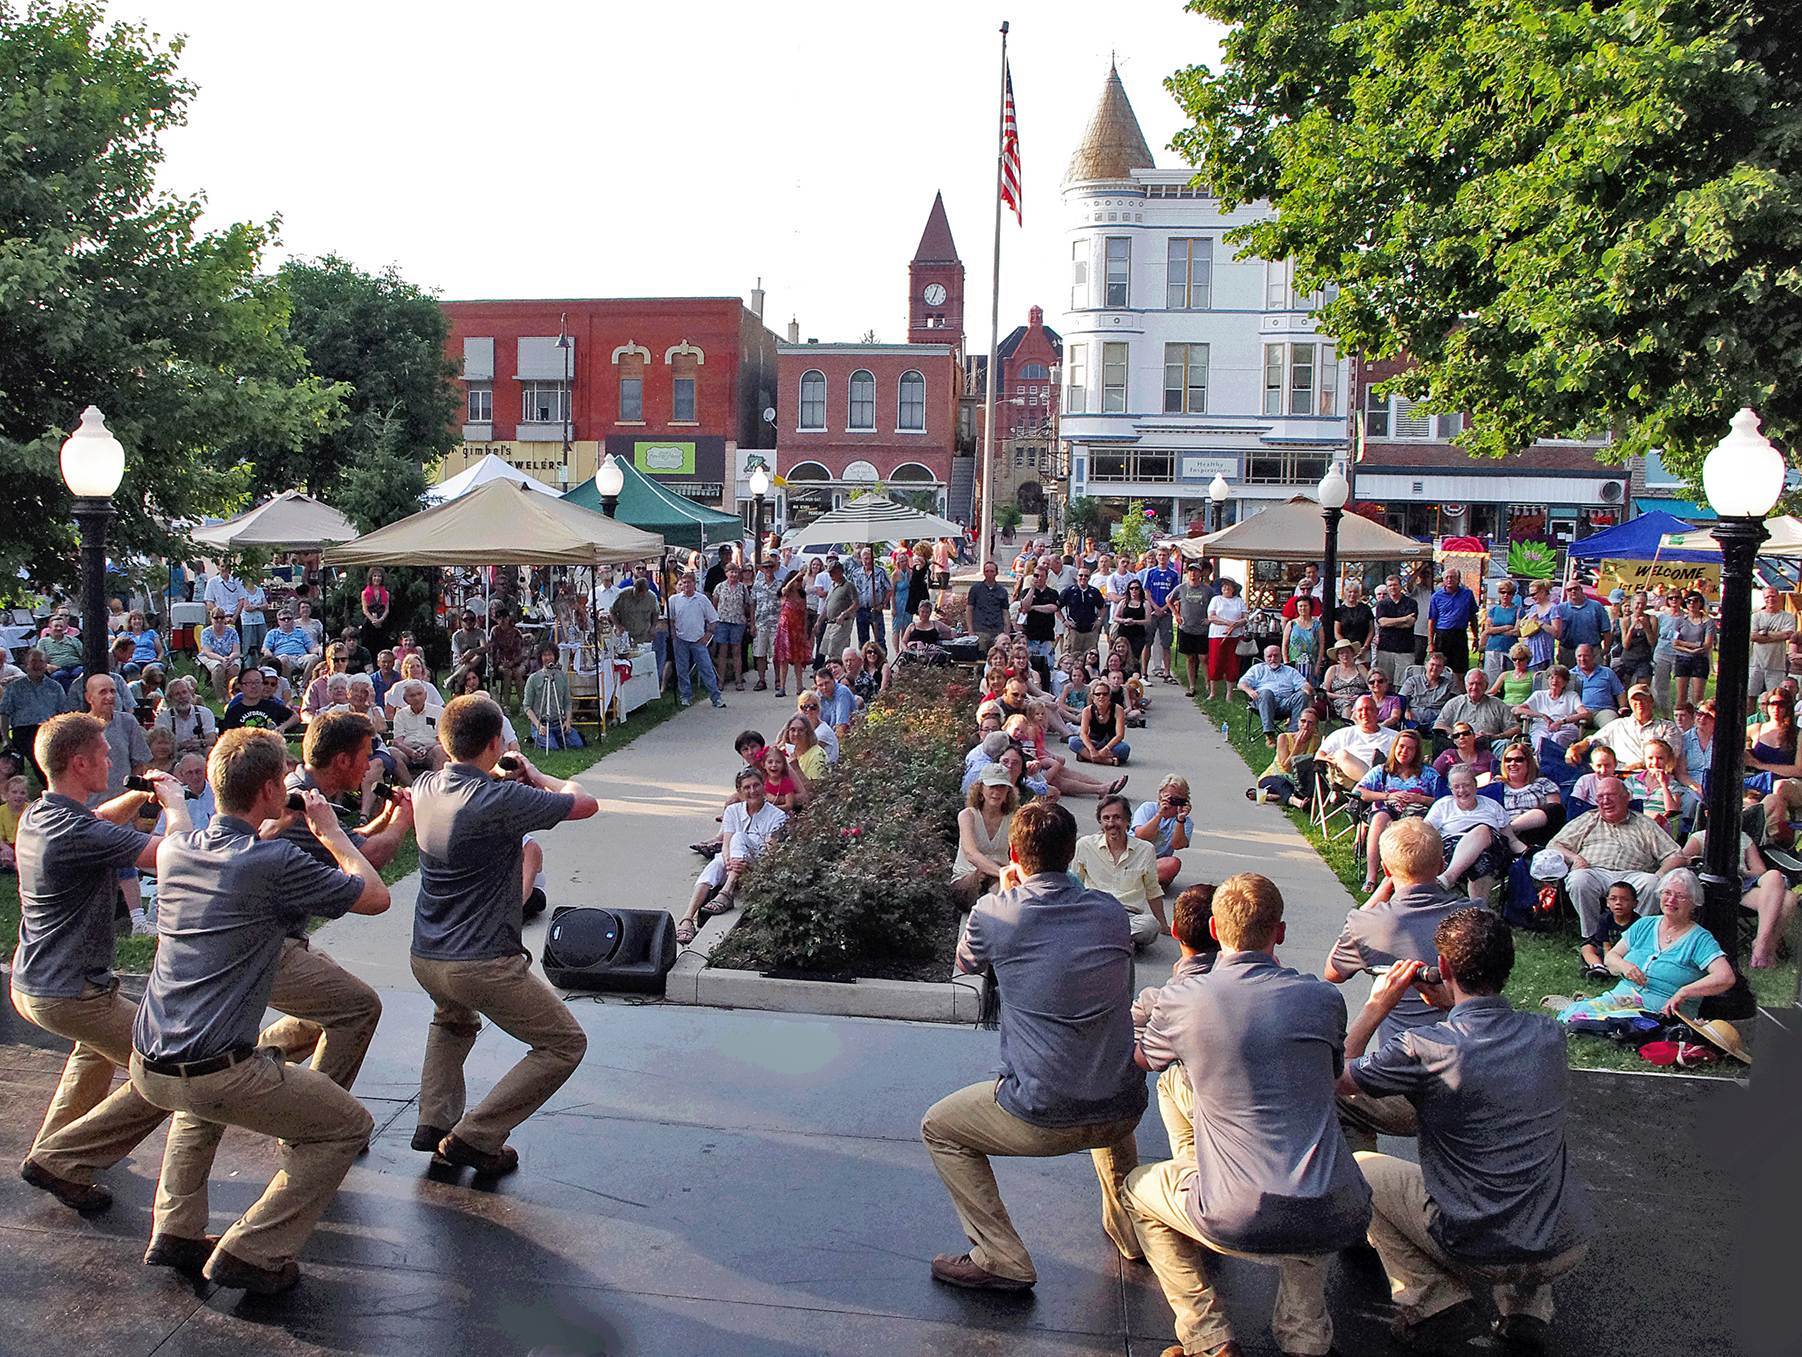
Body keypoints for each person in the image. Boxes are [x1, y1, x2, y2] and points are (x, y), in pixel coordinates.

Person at [126, 728, 387, 1294]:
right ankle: (253, 1250)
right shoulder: (271, 862)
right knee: (347, 1126)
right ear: (273, 787)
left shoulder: (177, 850)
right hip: (220, 1069)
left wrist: (174, 801)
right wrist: (334, 832)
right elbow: (373, 895)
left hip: (149, 1064)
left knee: (199, 1105)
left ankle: (174, 1230)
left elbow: (177, 824)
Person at [1128, 872, 1371, 1357]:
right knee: (1310, 1178)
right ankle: (1306, 1337)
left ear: (1214, 931)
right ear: (1279, 932)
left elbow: (1144, 1060)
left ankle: (1208, 1335)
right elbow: (1331, 1073)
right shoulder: (1324, 999)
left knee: (1137, 1189)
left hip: (1237, 1215)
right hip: (1339, 1209)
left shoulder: (1184, 999)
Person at [1341, 910, 1596, 1353]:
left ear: (1442, 968)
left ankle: (1436, 1304)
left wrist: (1376, 1006)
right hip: (1565, 1243)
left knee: (1361, 1170)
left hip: (1478, 1248)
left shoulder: (1426, 1047)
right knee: (1523, 1165)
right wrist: (1455, 1003)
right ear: (1509, 966)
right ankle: (1524, 1312)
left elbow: (1336, 1078)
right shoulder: (1549, 1035)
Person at [921, 802, 1146, 1292]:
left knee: (939, 1127)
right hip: (1124, 1107)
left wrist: (1006, 896)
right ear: (1072, 853)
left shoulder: (996, 913)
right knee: (1104, 1079)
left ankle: (1001, 1258)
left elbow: (966, 964)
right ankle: (1134, 1234)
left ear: (1016, 853)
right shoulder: (1110, 913)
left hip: (1042, 1112)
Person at [408, 695, 600, 1178]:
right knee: (563, 1044)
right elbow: (584, 802)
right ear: (496, 742)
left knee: (453, 1021)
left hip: (427, 955)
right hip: (482, 962)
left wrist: (500, 777)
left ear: (442, 741)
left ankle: (435, 1122)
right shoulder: (500, 799)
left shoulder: (427, 785)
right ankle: (476, 1136)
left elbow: (474, 795)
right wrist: (535, 775)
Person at [10, 714, 187, 1215]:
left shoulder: (42, 815)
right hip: (69, 993)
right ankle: (63, 1159)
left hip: (37, 983)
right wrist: (174, 804)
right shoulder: (76, 833)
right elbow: (173, 855)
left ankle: (56, 1148)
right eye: (105, 754)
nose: (113, 761)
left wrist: (138, 796)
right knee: (169, 1070)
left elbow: (97, 821)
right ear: (80, 762)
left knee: (96, 1054)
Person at [1325, 817, 1466, 1148]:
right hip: (1477, 1081)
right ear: (1442, 863)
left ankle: (1367, 1181)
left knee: (1330, 1095)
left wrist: (1374, 900)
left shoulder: (1369, 925)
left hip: (1411, 1091)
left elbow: (1333, 971)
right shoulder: (1475, 917)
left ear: (1386, 869)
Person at [1552, 867, 1733, 1024]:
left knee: (1615, 1024)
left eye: (1680, 896)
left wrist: (1685, 992)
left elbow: (1725, 977)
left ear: (1694, 903)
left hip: (1662, 1010)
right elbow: (1611, 957)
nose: (1671, 900)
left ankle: (1592, 1011)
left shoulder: (1699, 939)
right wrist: (1625, 966)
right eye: (1667, 893)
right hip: (1623, 998)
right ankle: (1586, 1008)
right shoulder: (1645, 924)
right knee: (1571, 1017)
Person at [1548, 777, 1688, 934]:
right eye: (1600, 797)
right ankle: (1593, 937)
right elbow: (1554, 845)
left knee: (1652, 883)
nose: (1605, 801)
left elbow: (1676, 855)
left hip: (1634, 874)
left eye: (1611, 795)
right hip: (1595, 871)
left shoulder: (1645, 823)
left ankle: (1634, 937)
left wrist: (1659, 874)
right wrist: (1576, 858)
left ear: (1626, 797)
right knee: (1579, 879)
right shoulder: (1588, 819)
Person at [677, 767, 787, 944]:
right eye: (747, 788)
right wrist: (729, 862)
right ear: (740, 791)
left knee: (740, 837)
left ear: (763, 785)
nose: (753, 791)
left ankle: (726, 892)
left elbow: (769, 854)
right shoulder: (733, 811)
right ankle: (688, 918)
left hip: (755, 865)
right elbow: (726, 844)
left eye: (756, 785)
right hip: (732, 864)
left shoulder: (778, 816)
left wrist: (749, 868)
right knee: (715, 865)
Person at [1074, 792, 1167, 947]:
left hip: (1129, 916)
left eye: (1117, 817)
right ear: (1100, 821)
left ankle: (1102, 938)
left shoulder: (1145, 850)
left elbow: (1153, 890)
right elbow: (1076, 884)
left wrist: (1163, 925)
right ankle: (1119, 940)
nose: (1111, 823)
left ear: (1127, 821)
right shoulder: (1084, 845)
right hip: (1095, 910)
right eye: (1106, 818)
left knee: (1151, 926)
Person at [1355, 730, 1443, 892]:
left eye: (1410, 749)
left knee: (1417, 826)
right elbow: (1359, 791)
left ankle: (1413, 877)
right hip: (1386, 810)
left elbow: (1443, 800)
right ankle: (1371, 877)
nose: (1404, 751)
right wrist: (1388, 796)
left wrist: (1419, 799)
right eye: (1401, 747)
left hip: (1416, 815)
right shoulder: (1382, 771)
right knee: (1380, 819)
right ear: (1395, 747)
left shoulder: (1428, 774)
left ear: (1416, 752)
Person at [1425, 764, 1522, 897]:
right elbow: (1425, 832)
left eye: (1466, 785)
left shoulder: (1492, 806)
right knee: (1482, 861)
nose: (1462, 790)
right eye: (1456, 787)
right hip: (1453, 851)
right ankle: (1478, 910)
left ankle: (1449, 878)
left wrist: (1530, 853)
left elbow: (1511, 839)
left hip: (1492, 848)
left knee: (1482, 831)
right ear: (1451, 789)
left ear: (1475, 785)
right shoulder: (1442, 806)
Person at [1, 649, 71, 782]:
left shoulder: (55, 687)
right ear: (26, 665)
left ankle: (49, 783)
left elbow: (63, 714)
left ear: (46, 665)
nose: (37, 665)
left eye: (41, 661)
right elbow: (4, 714)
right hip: (23, 732)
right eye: (33, 661)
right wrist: (6, 739)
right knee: (35, 755)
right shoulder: (14, 687)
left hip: (47, 729)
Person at [951, 765, 1016, 908]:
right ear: (981, 789)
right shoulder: (967, 816)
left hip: (1000, 880)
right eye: (992, 786)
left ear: (1008, 792)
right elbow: (971, 854)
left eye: (1002, 787)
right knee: (984, 875)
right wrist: (1003, 873)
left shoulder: (1014, 819)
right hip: (967, 880)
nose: (996, 792)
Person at [667, 571, 726, 709]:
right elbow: (669, 619)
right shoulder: (674, 600)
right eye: (684, 582)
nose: (686, 585)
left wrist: (708, 635)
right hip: (681, 639)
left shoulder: (702, 599)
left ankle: (715, 697)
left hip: (698, 640)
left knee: (706, 669)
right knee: (682, 670)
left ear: (694, 583)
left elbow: (713, 619)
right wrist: (673, 634)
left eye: (689, 582)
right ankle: (685, 696)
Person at [1238, 643, 1313, 743]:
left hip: (1285, 703)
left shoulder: (1290, 671)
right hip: (1263, 702)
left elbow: (1303, 684)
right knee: (1266, 692)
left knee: (1302, 695)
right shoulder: (1257, 669)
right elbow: (1241, 683)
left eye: (1276, 655)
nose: (1273, 658)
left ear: (1281, 657)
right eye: (1269, 656)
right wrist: (1249, 691)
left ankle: (1292, 734)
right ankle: (1269, 734)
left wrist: (1307, 688)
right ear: (1264, 658)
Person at [1250, 706, 1322, 808]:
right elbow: (1286, 768)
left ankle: (1272, 796)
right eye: (1303, 721)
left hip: (1297, 781)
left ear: (1315, 727)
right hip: (1275, 776)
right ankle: (1296, 802)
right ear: (1298, 722)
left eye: (1310, 723)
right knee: (1281, 784)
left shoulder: (1316, 741)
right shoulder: (1284, 738)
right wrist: (1297, 746)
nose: (1306, 726)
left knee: (1302, 789)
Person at [1320, 693, 1400, 782]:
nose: (1364, 713)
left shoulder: (1394, 736)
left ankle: (1372, 783)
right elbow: (1320, 755)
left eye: (1368, 709)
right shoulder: (1342, 734)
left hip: (1386, 776)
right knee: (1341, 755)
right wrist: (1331, 760)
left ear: (1377, 712)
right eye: (1360, 710)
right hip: (1352, 781)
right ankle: (1371, 784)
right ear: (1355, 714)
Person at [1435, 666, 1519, 749]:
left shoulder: (1498, 704)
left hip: (1489, 744)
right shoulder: (1454, 703)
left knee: (1505, 744)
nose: (1474, 687)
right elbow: (1438, 725)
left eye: (1479, 684)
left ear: (1486, 686)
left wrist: (1495, 737)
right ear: (1466, 685)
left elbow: (1515, 728)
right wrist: (1459, 734)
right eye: (1471, 684)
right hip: (1460, 746)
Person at [1132, 776, 1192, 889]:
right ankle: (1144, 882)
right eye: (1170, 798)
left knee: (1174, 863)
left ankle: (1137, 881)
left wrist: (1180, 820)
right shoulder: (1147, 808)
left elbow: (1177, 845)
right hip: (1132, 857)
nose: (1173, 803)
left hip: (1155, 863)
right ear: (1160, 795)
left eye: (1178, 800)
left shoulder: (1185, 822)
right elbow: (1140, 836)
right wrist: (1159, 815)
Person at [522, 644, 583, 751]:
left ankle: (556, 738)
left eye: (550, 655)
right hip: (542, 723)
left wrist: (568, 721)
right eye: (544, 655)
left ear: (555, 656)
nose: (548, 658)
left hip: (558, 722)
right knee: (552, 747)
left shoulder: (561, 677)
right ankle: (537, 736)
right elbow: (527, 706)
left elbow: (567, 702)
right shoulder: (533, 679)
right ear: (540, 658)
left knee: (577, 744)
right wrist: (538, 725)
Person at [1749, 585, 1796, 709]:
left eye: (1773, 596)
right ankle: (1748, 721)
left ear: (1778, 596)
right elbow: (1753, 636)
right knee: (1750, 695)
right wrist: (1777, 635)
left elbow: (1788, 634)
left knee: (1775, 697)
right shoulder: (1756, 616)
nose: (1770, 599)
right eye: (1767, 597)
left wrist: (1764, 634)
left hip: (1776, 665)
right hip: (1756, 664)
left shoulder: (1787, 617)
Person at [1667, 591, 1716, 710]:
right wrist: (1693, 647)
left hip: (1700, 660)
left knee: (1697, 698)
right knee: (1680, 697)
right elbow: (1674, 643)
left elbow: (1707, 644)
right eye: (1689, 601)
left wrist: (1685, 645)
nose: (1692, 604)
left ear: (1700, 603)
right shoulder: (1680, 620)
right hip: (1682, 659)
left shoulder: (1708, 622)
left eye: (1695, 601)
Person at [1425, 568, 1478, 676]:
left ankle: (1458, 691)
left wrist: (1476, 637)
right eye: (1447, 577)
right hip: (1442, 635)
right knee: (1440, 667)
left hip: (1459, 634)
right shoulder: (1436, 597)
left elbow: (1472, 617)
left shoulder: (1467, 594)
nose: (1449, 580)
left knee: (1460, 669)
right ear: (1443, 580)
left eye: (1452, 577)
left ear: (1458, 579)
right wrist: (1430, 643)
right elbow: (1432, 620)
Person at [219, 666, 298, 734]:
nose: (253, 686)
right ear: (241, 686)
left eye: (257, 682)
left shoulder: (273, 706)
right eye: (249, 683)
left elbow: (294, 717)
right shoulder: (234, 711)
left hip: (268, 747)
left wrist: (282, 727)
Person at [1204, 576, 1247, 700]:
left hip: (1235, 636)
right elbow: (1211, 617)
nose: (1226, 588)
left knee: (1232, 663)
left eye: (1229, 586)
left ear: (1234, 589)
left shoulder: (1239, 601)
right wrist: (1228, 623)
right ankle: (1213, 692)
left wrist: (1236, 624)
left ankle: (1229, 694)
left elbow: (1245, 618)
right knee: (1216, 662)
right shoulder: (1216, 600)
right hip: (1217, 635)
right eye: (1224, 586)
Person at [1372, 574, 1420, 686]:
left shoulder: (1410, 603)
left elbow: (1410, 623)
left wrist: (1390, 623)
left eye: (1395, 585)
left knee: (1403, 683)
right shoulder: (1382, 604)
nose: (1392, 588)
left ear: (1400, 586)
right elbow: (1382, 622)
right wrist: (1403, 619)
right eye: (1389, 586)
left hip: (1405, 649)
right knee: (1384, 682)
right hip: (1385, 649)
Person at [1071, 678, 1130, 766]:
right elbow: (1083, 733)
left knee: (1124, 749)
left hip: (1111, 744)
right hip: (1093, 742)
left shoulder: (1118, 709)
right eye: (1098, 694)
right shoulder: (1087, 711)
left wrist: (1105, 749)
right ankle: (1107, 761)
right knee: (1073, 741)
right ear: (1093, 697)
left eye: (1105, 694)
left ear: (1109, 696)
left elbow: (1120, 735)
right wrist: (1091, 749)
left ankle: (1086, 757)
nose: (1101, 697)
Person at [1555, 579, 1612, 668]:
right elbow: (1556, 632)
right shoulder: (1560, 609)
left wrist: (1606, 648)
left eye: (1575, 588)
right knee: (1569, 679)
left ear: (1581, 589)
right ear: (1566, 592)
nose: (1573, 591)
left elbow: (1606, 630)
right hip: (1568, 651)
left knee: (1594, 678)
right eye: (1569, 590)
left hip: (1593, 651)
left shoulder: (1596, 606)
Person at [1400, 650, 1458, 733]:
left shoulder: (1448, 684)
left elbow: (1455, 702)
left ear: (1443, 669)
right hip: (1413, 718)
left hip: (1436, 720)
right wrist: (1406, 711)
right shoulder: (1412, 681)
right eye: (1432, 664)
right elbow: (1401, 699)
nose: (1435, 668)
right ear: (1426, 665)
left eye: (1439, 666)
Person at [1061, 564, 1108, 666]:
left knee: (1090, 658)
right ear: (1077, 576)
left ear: (1089, 577)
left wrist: (1099, 620)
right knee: (1071, 658)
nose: (1083, 578)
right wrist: (1064, 621)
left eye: (1086, 576)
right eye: (1081, 575)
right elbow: (1057, 607)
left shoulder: (1094, 592)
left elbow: (1103, 607)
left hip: (1090, 631)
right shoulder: (1069, 591)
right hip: (1074, 630)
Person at [1478, 578, 1521, 680]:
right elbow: (1488, 630)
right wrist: (1506, 627)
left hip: (1510, 649)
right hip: (1492, 648)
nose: (1505, 595)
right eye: (1503, 592)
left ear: (1513, 595)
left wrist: (1496, 630)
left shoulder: (1518, 610)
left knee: (1509, 679)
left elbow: (1517, 631)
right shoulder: (1493, 610)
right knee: (1490, 679)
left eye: (1509, 593)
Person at [1320, 639, 1372, 719]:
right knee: (1347, 705)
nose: (1345, 655)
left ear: (1352, 653)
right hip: (1340, 700)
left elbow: (1371, 685)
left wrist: (1361, 696)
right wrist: (1342, 696)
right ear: (1337, 656)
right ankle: (1348, 726)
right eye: (1341, 653)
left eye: (1347, 652)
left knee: (1359, 704)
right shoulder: (1333, 669)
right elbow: (1324, 692)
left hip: (1359, 698)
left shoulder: (1360, 668)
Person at [196, 609, 242, 697]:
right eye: (216, 618)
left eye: (222, 617)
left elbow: (237, 651)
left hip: (229, 656)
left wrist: (230, 658)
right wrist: (221, 659)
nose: (219, 620)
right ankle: (221, 696)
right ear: (211, 619)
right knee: (218, 668)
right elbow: (208, 652)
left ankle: (231, 693)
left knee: (234, 668)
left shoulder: (232, 632)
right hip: (210, 656)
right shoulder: (206, 633)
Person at [1112, 578, 1151, 671]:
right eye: (1131, 588)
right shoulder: (1124, 602)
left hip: (1138, 634)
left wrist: (1135, 622)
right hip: (1124, 633)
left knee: (1135, 656)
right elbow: (1115, 617)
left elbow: (1148, 620)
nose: (1134, 590)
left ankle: (1135, 673)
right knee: (1121, 654)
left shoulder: (1145, 603)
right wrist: (1124, 620)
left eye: (1136, 588)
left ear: (1140, 590)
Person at [359, 568, 391, 653]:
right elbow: (365, 610)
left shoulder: (386, 593)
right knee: (369, 647)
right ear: (371, 577)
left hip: (382, 623)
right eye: (375, 576)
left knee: (382, 646)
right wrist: (374, 621)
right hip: (369, 623)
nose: (377, 578)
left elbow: (387, 609)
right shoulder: (365, 593)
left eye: (379, 576)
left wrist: (380, 620)